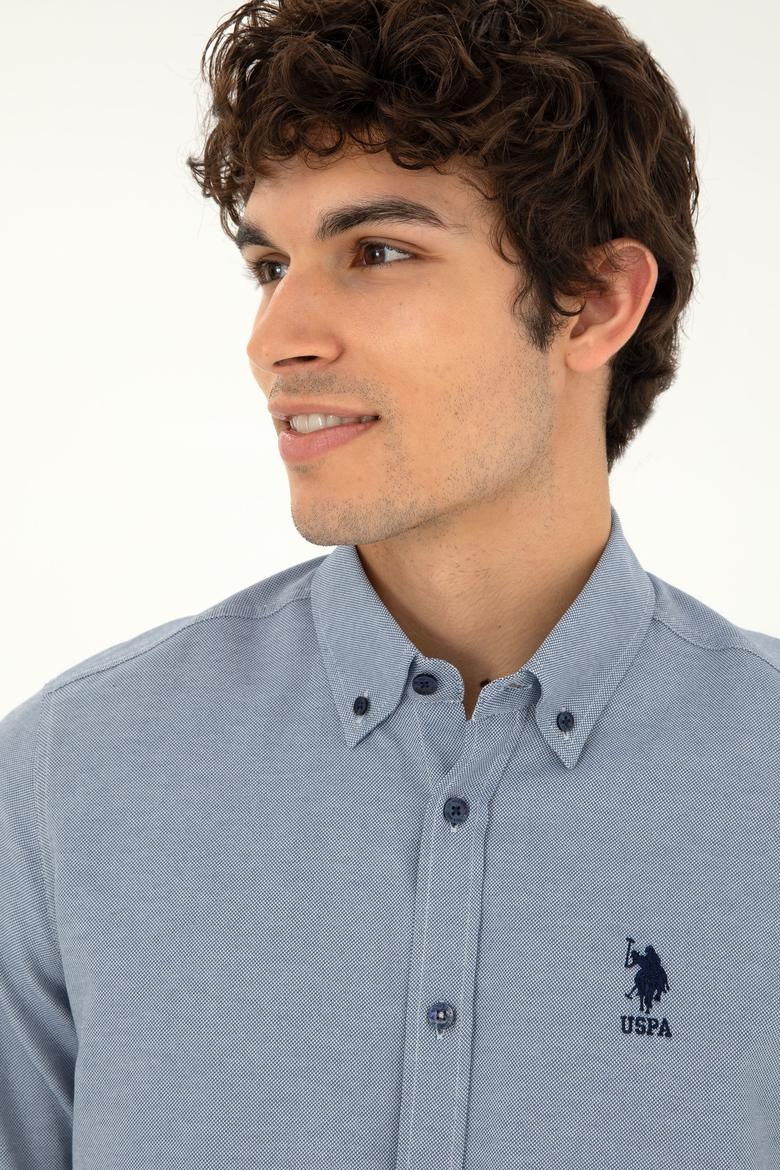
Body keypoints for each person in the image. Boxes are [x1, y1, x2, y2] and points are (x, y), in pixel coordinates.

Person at [1, 0, 778, 1166]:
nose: (275, 337)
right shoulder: (67, 780)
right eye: (271, 265)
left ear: (597, 300)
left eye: (377, 252)